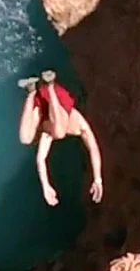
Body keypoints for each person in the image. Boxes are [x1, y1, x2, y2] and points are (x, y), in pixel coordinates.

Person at [17, 70, 104, 207]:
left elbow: (40, 159)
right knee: (59, 133)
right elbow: (93, 148)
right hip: (59, 99)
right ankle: (50, 84)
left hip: (43, 105)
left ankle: (31, 90)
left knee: (25, 139)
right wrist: (97, 179)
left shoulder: (48, 132)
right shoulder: (79, 125)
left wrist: (46, 186)